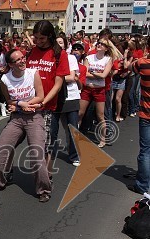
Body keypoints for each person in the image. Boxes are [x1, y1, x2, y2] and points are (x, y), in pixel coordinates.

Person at [0, 49, 48, 201]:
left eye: (23, 58)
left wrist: (26, 104)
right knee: (1, 149)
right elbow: (8, 100)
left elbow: (40, 96)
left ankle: (43, 189)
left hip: (34, 117)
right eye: (18, 60)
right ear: (11, 64)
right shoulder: (5, 79)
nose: (22, 61)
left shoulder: (33, 73)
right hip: (17, 118)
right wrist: (19, 104)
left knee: (37, 153)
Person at [25, 20, 69, 201]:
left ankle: (45, 180)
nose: (38, 41)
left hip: (48, 107)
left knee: (46, 145)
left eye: (41, 38)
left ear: (50, 36)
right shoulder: (32, 52)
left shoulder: (60, 55)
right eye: (35, 38)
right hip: (28, 105)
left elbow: (58, 85)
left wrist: (43, 102)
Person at [78, 37, 120, 148]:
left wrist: (94, 72)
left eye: (102, 44)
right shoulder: (89, 57)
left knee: (100, 116)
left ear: (106, 48)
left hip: (99, 90)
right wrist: (98, 73)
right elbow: (85, 73)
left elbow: (104, 76)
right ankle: (75, 135)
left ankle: (103, 139)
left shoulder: (108, 59)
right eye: (98, 43)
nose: (99, 45)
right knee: (80, 113)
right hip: (87, 88)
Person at [49, 36, 81, 168]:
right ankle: (50, 155)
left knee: (72, 128)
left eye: (61, 42)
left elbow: (71, 77)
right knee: (52, 130)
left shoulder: (71, 58)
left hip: (71, 97)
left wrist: (55, 77)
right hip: (54, 97)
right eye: (56, 42)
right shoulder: (49, 58)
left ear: (66, 45)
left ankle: (74, 155)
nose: (58, 44)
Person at [127, 39, 150, 195]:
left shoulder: (142, 63)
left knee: (146, 151)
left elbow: (129, 67)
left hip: (146, 114)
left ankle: (142, 185)